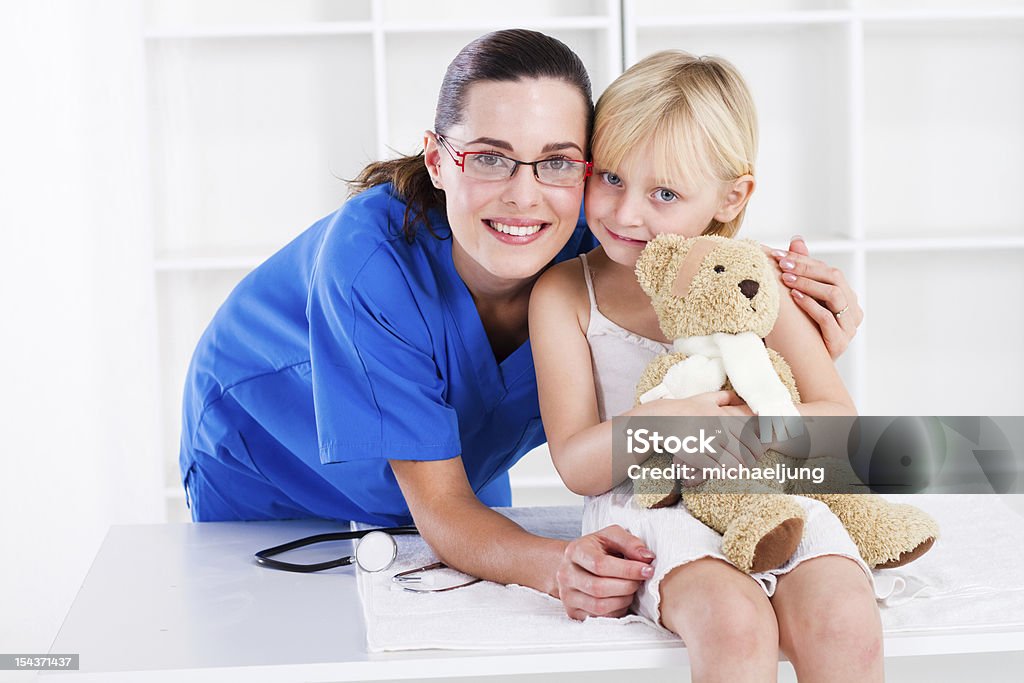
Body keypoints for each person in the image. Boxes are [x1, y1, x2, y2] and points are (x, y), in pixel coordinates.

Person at [179, 29, 863, 621]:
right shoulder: (369, 264)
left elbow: (693, 249)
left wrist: (791, 313)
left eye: (559, 161)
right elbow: (445, 510)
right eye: (489, 156)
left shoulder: (588, 235)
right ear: (439, 158)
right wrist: (555, 563)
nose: (524, 193)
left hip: (453, 481)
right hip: (269, 466)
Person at [529, 51, 882, 681]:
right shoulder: (564, 295)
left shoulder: (751, 284)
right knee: (734, 622)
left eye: (664, 192)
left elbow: (838, 425)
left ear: (731, 195)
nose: (626, 211)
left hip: (769, 492)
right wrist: (663, 428)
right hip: (648, 508)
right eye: (609, 177)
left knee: (844, 615)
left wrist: (746, 431)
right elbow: (577, 465)